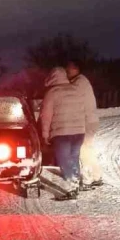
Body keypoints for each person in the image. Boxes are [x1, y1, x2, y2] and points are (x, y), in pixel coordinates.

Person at [40, 67, 87, 200]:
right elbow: (83, 111)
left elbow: (46, 116)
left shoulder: (52, 92)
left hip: (62, 133)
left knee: (64, 160)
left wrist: (45, 134)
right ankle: (77, 182)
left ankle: (72, 188)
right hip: (79, 131)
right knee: (74, 157)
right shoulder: (76, 90)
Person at [66, 59, 103, 189]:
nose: (67, 71)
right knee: (88, 149)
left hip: (86, 122)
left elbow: (68, 97)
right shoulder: (81, 81)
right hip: (90, 120)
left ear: (76, 69)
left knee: (83, 151)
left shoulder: (79, 83)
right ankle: (96, 176)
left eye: (69, 69)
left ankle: (87, 180)